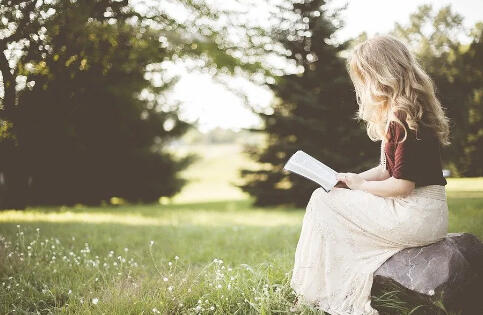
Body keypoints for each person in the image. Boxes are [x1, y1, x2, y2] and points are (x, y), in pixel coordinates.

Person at [289, 35, 451, 315]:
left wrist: (361, 186)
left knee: (321, 201)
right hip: (425, 211)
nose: (363, 85)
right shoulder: (407, 110)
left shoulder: (402, 115)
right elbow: (387, 170)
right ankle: (318, 289)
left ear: (381, 74)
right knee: (329, 196)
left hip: (415, 213)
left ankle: (315, 292)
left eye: (365, 76)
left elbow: (402, 185)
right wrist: (349, 179)